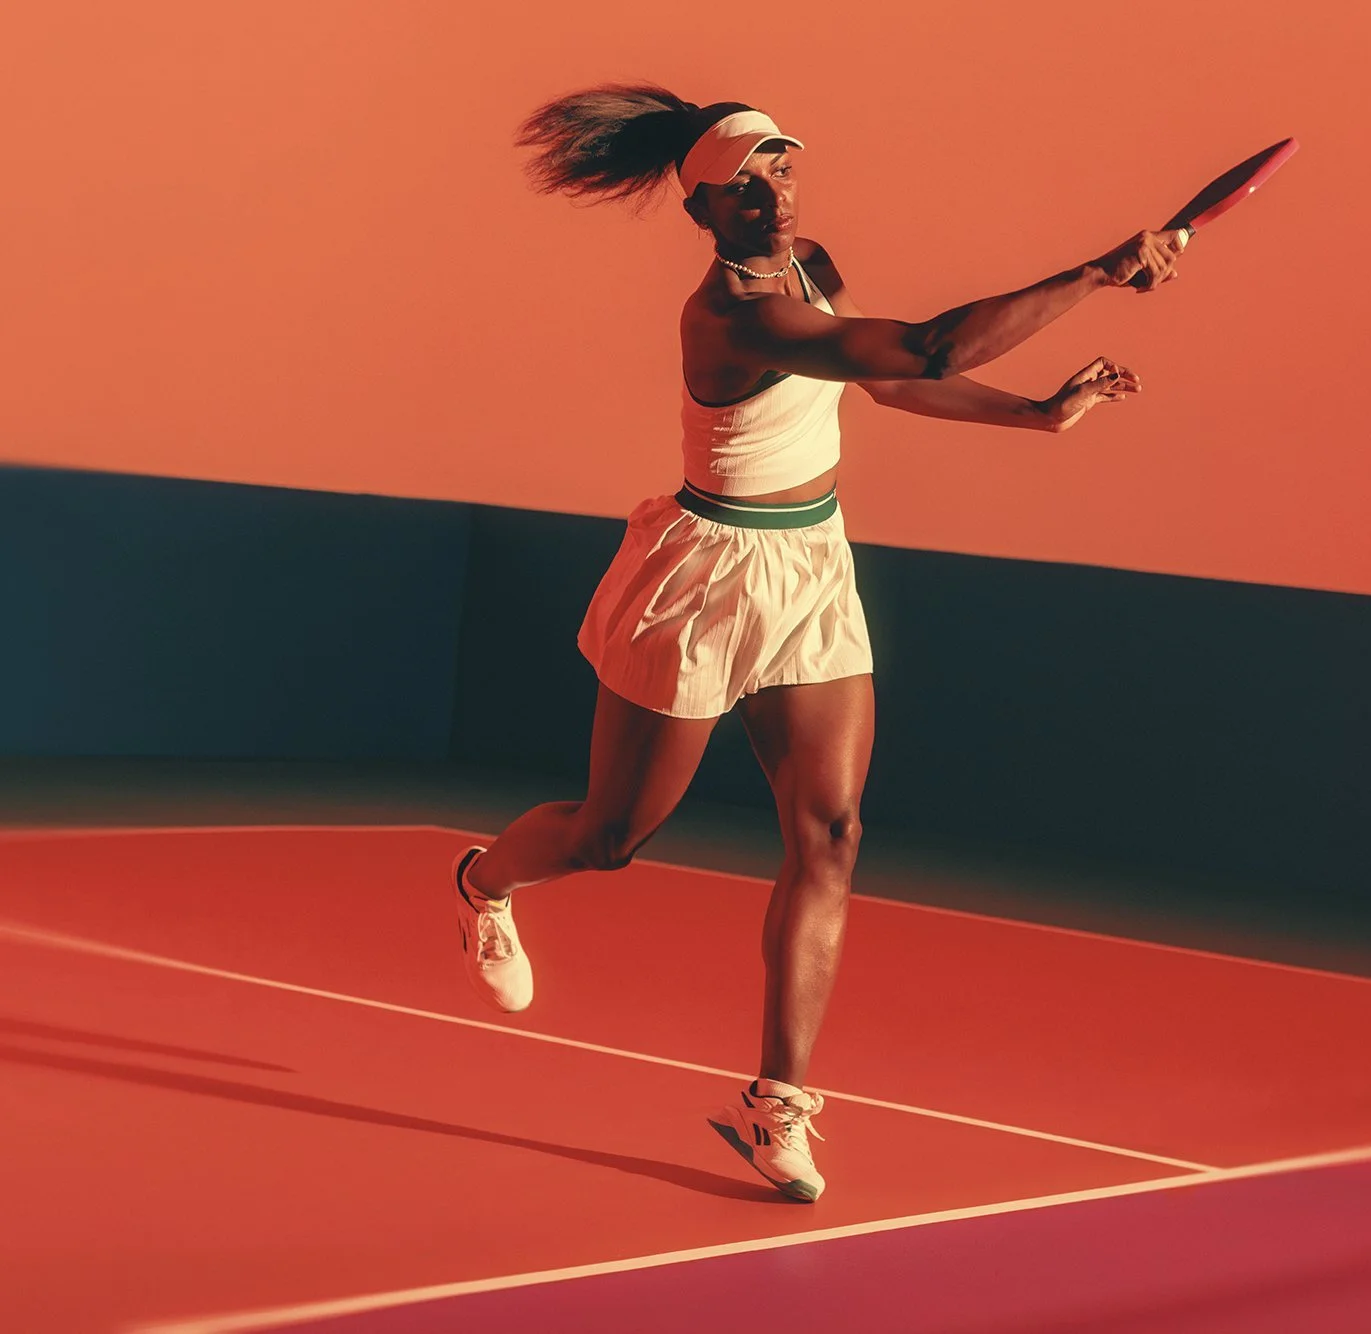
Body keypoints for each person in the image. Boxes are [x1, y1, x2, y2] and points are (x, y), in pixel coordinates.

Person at [451, 83, 1186, 1203]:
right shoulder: (728, 317)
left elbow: (890, 380)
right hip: (706, 577)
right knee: (609, 836)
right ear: (701, 211)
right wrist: (1097, 272)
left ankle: (776, 1102)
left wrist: (1035, 414)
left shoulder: (810, 268)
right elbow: (928, 346)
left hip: (810, 565)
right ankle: (484, 880)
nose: (770, 193)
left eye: (781, 167)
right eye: (742, 184)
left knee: (831, 833)